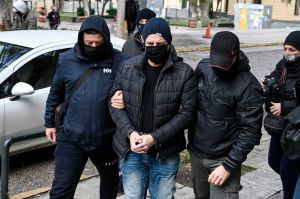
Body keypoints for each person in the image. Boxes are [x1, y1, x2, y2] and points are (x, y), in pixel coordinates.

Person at [109, 18, 196, 199]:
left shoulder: (184, 72)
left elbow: (187, 114)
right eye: (150, 43)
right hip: (131, 150)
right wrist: (131, 133)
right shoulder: (127, 67)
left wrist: (154, 138)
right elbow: (114, 105)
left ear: (169, 44)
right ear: (143, 42)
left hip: (165, 153)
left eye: (160, 43)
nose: (154, 46)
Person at [44, 16, 126, 199]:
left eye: (98, 42)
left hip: (106, 139)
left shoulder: (119, 61)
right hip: (72, 137)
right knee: (61, 190)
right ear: (82, 39)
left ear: (105, 38)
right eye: (89, 42)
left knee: (110, 186)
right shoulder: (67, 60)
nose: (93, 46)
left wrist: (125, 99)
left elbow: (132, 91)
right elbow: (55, 93)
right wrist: (49, 122)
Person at [188, 31, 264, 199]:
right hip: (197, 152)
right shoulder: (203, 67)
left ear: (235, 56)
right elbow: (189, 101)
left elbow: (250, 131)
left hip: (224, 159)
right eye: (216, 63)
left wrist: (228, 165)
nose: (218, 68)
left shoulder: (248, 86)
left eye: (224, 64)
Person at [264, 31, 300, 199]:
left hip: (296, 130)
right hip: (280, 126)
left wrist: (284, 107)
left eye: (292, 49)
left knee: (287, 168)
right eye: (285, 49)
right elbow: (274, 77)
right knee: (273, 161)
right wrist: (267, 85)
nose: (287, 53)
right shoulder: (283, 64)